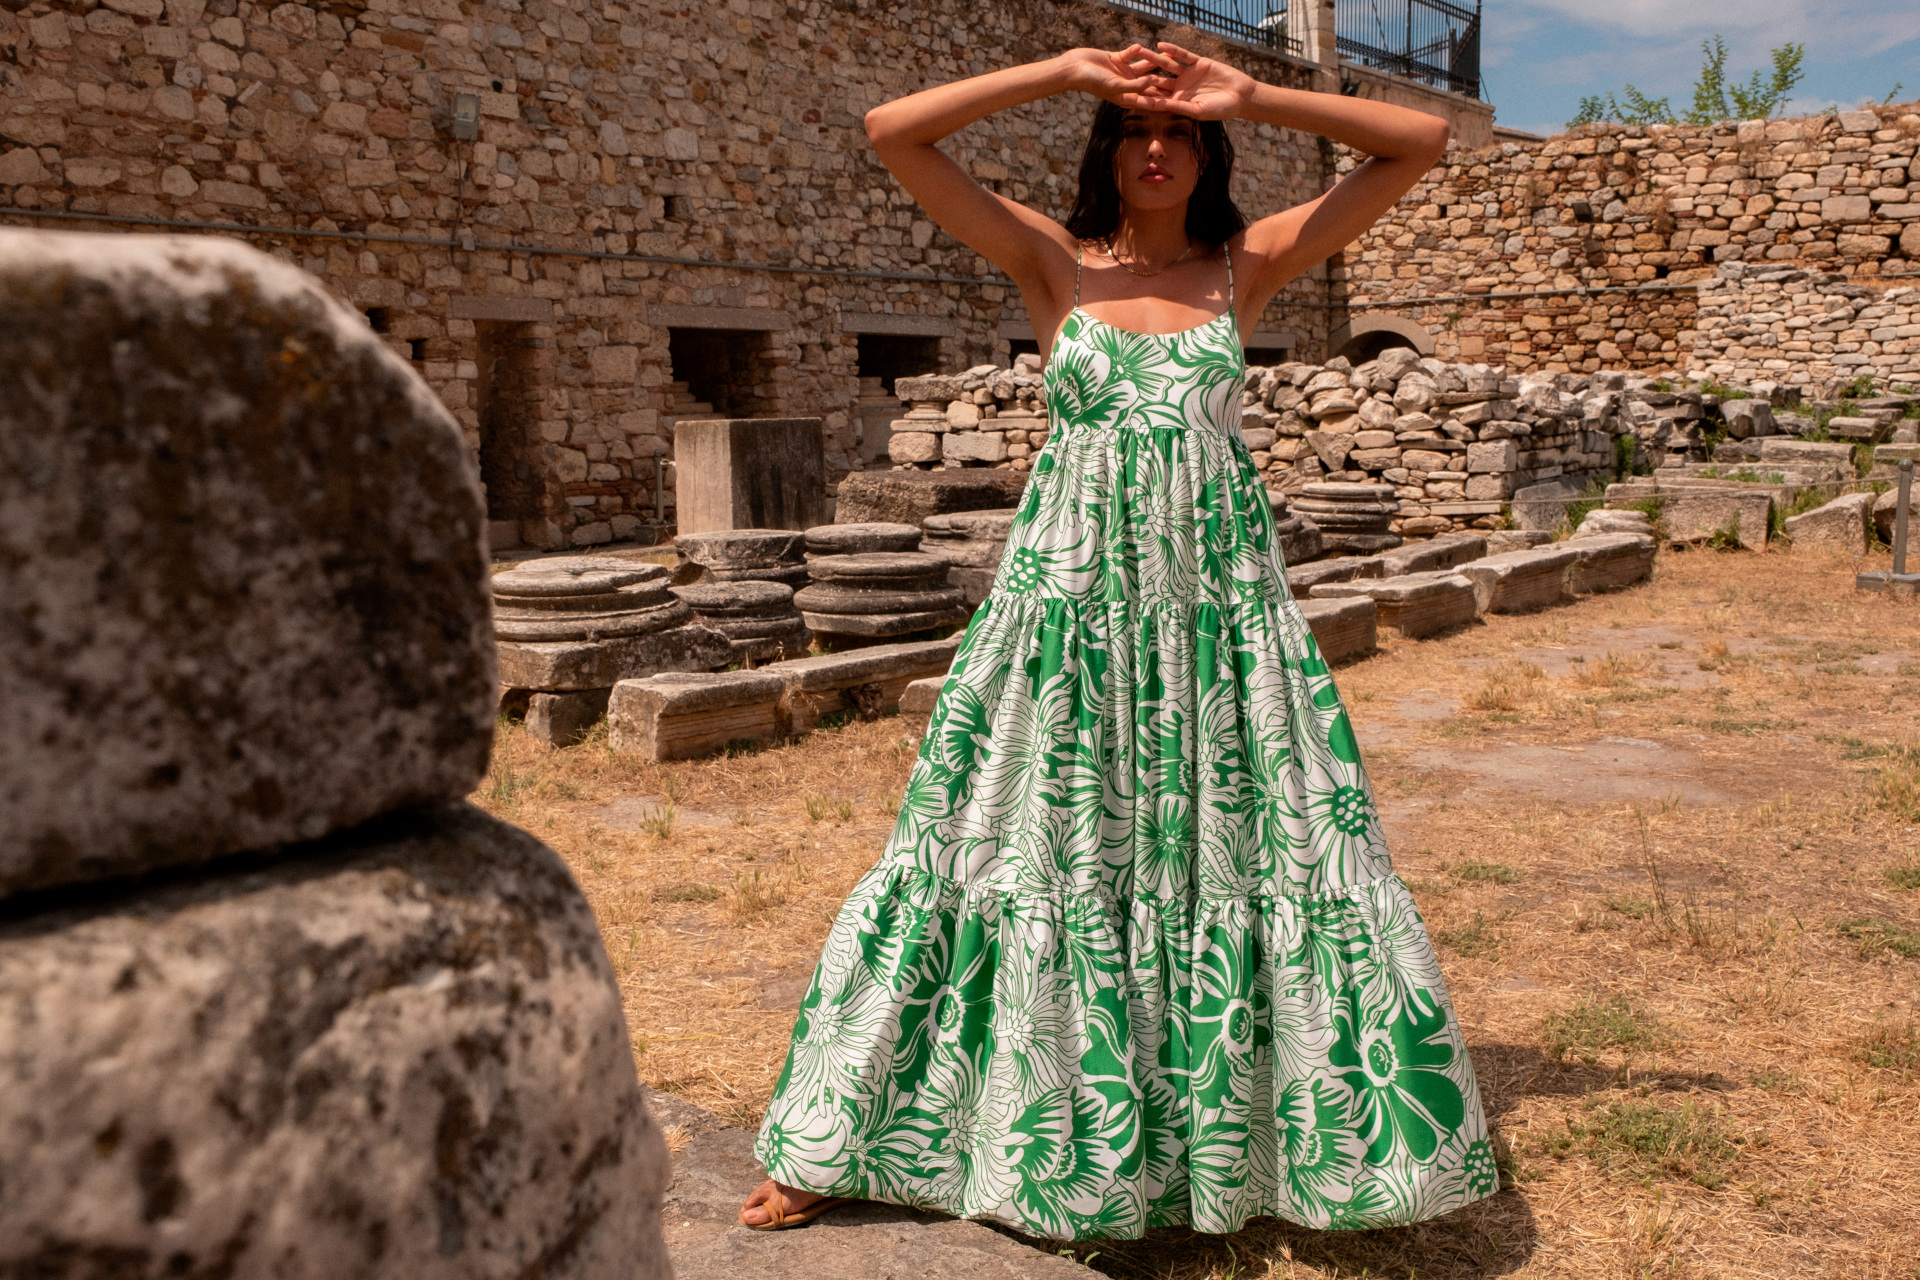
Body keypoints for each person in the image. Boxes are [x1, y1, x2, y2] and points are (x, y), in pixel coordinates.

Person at [739, 39, 1496, 1240]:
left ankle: (1288, 1153)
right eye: (1135, 132)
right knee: (1007, 843)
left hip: (1214, 615)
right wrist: (1061, 72)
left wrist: (1251, 93)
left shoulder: (1245, 266)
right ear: (1107, 151)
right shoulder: (1055, 266)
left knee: (1253, 850)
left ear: (1207, 152)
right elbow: (894, 131)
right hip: (1070, 609)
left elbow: (1423, 142)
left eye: (1180, 132)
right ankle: (862, 1128)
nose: (1155, 148)